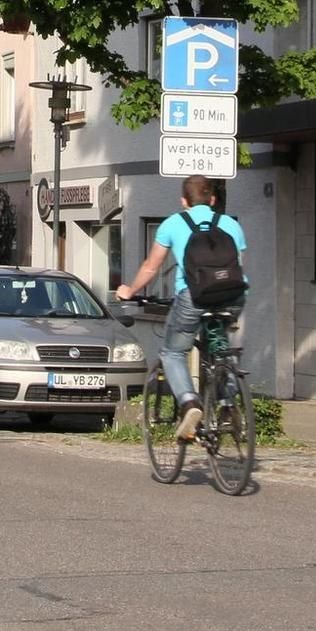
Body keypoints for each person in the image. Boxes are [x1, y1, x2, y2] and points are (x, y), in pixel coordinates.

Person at [116, 174, 247, 442]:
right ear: (212, 199)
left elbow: (151, 267)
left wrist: (130, 291)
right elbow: (237, 264)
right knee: (219, 345)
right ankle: (227, 405)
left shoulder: (173, 224)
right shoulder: (231, 224)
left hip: (193, 297)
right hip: (232, 296)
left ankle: (189, 403)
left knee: (173, 353)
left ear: (184, 201)